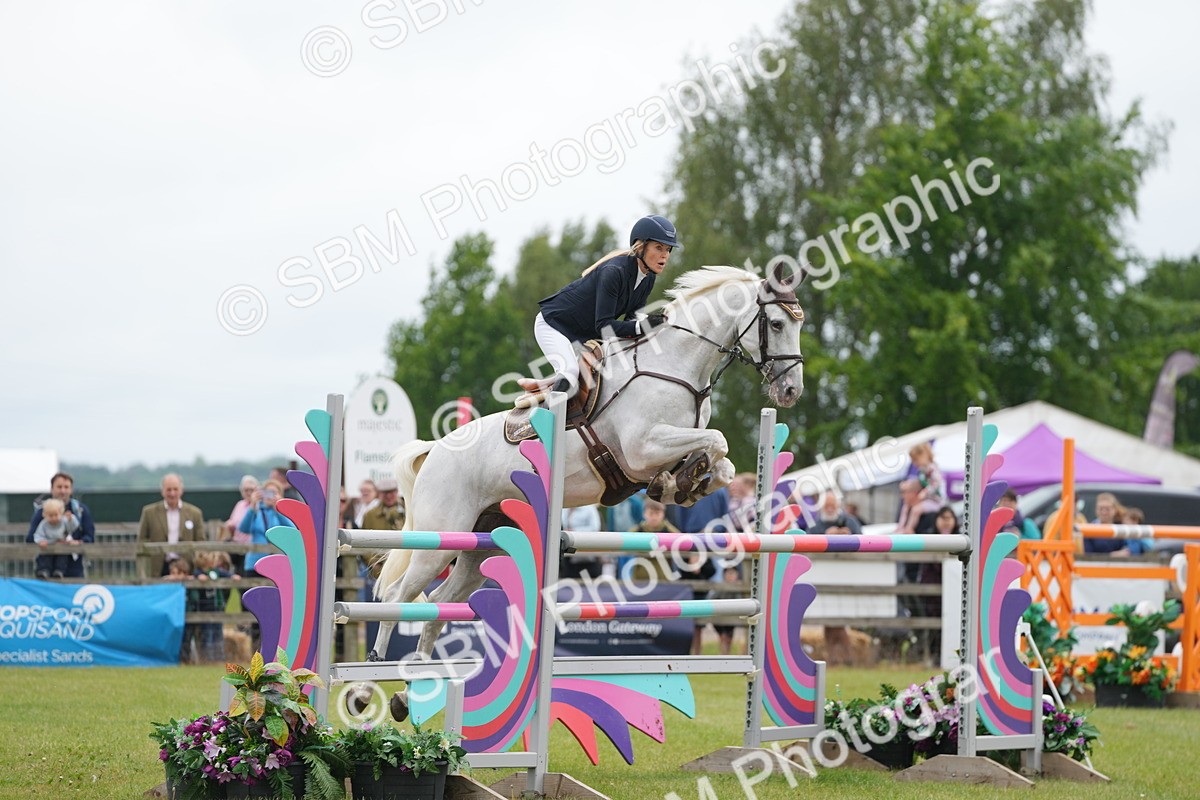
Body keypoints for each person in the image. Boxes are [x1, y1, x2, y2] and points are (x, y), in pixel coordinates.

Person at [517, 214, 683, 400]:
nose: (665, 255)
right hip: (554, 325)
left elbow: (632, 320)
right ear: (640, 246)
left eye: (668, 250)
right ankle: (546, 425)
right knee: (570, 372)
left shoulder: (647, 278)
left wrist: (655, 325)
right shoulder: (613, 272)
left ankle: (541, 385)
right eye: (659, 247)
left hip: (582, 335)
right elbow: (604, 326)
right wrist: (642, 326)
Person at [26, 472, 94, 578]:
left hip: (74, 569)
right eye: (59, 487)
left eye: (66, 487)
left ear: (71, 490)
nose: (63, 491)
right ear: (52, 489)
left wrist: (78, 542)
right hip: (45, 571)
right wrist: (46, 542)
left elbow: (89, 536)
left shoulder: (80, 510)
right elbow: (31, 537)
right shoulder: (41, 512)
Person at [138, 473, 205, 578]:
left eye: (175, 489)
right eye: (168, 490)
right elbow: (141, 541)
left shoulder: (195, 513)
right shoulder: (149, 512)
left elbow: (201, 542)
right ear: (162, 491)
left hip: (186, 568)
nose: (172, 493)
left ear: (181, 490)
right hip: (159, 567)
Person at [189, 551, 241, 662]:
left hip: (217, 608)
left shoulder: (215, 572)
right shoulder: (198, 573)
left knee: (218, 634)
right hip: (205, 610)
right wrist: (199, 576)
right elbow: (195, 576)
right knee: (207, 635)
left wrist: (232, 576)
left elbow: (225, 574)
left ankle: (219, 657)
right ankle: (207, 658)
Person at [238, 479, 296, 573]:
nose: (270, 496)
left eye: (274, 493)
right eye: (268, 492)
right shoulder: (256, 511)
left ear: (280, 495)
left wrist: (278, 509)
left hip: (277, 563)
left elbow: (292, 530)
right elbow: (243, 529)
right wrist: (252, 505)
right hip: (255, 563)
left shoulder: (283, 514)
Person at [33, 498, 80, 578]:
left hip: (62, 546)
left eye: (56, 515)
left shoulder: (63, 521)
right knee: (45, 558)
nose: (54, 518)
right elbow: (38, 534)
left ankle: (59, 571)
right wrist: (41, 541)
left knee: (62, 558)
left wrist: (71, 519)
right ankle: (44, 571)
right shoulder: (43, 524)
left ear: (61, 513)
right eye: (50, 515)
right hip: (48, 546)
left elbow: (73, 527)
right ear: (45, 515)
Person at [222, 474, 259, 573]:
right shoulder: (239, 505)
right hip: (237, 546)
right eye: (246, 490)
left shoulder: (260, 507)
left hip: (252, 547)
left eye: (251, 490)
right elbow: (233, 521)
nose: (249, 493)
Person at [561, 504, 604, 579]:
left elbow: (595, 528)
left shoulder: (590, 509)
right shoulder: (564, 509)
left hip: (588, 555)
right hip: (569, 555)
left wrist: (574, 531)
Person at [908, 443, 945, 514]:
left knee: (915, 510)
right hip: (928, 500)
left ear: (923, 456)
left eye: (916, 460)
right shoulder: (922, 470)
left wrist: (925, 492)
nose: (914, 463)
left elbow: (936, 484)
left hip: (936, 501)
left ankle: (909, 525)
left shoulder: (932, 468)